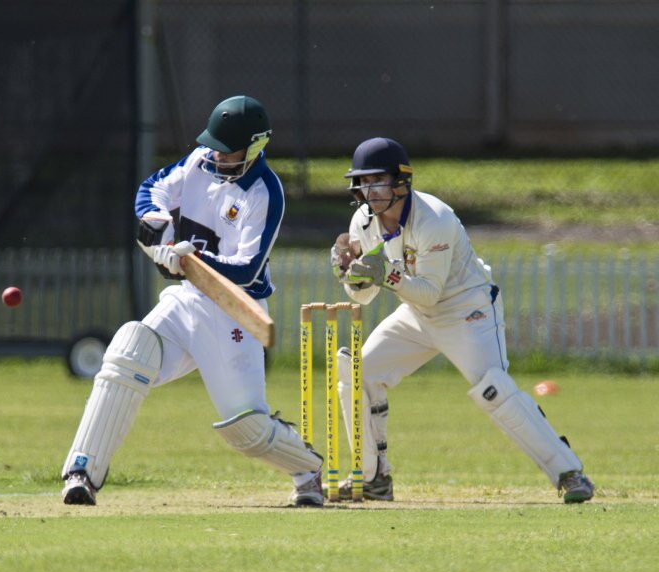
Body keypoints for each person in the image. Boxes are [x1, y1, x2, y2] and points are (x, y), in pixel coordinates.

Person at [59, 95, 325, 507]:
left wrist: (189, 258)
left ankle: (309, 471)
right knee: (130, 350)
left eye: (227, 149)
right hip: (187, 300)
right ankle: (82, 472)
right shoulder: (201, 161)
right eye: (214, 146)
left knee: (247, 429)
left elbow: (247, 268)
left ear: (255, 147)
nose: (217, 155)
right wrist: (159, 229)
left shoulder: (264, 192)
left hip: (234, 311)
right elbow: (152, 191)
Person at [331, 136, 594, 503]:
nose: (370, 190)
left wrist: (386, 275)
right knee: (359, 372)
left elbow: (430, 292)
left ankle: (569, 473)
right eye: (364, 181)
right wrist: (351, 276)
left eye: (379, 180)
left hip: (465, 309)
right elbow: (365, 295)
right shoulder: (362, 221)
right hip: (416, 313)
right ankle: (374, 479)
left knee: (493, 389)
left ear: (401, 180)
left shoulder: (434, 219)